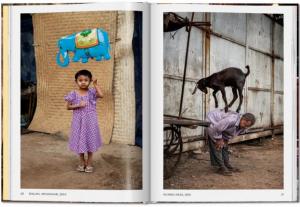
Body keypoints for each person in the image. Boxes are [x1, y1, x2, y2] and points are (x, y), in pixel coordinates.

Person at [64, 69, 103, 173]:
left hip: (90, 121)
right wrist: (78, 105)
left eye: (86, 80)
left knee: (90, 141)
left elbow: (101, 95)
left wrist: (95, 85)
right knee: (79, 141)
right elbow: (68, 107)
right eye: (80, 80)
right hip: (78, 122)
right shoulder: (73, 93)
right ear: (76, 81)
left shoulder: (91, 92)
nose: (83, 82)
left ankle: (89, 162)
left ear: (89, 81)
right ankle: (82, 161)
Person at [206, 109, 256, 176]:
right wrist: (218, 139)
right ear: (243, 119)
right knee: (217, 146)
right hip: (213, 121)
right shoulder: (231, 120)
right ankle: (221, 168)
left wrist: (225, 140)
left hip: (220, 126)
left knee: (225, 147)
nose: (244, 127)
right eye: (244, 124)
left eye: (247, 126)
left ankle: (227, 165)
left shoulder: (242, 125)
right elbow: (217, 128)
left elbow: (231, 133)